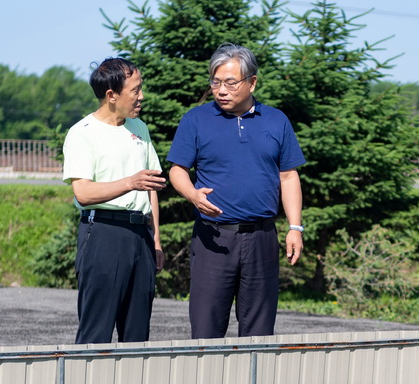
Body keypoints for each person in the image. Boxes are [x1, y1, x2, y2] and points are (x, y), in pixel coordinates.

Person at [167, 43, 305, 339]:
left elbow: (289, 176)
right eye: (216, 82)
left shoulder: (276, 120)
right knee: (206, 328)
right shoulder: (196, 119)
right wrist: (192, 194)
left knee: (258, 330)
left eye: (230, 82)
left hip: (262, 238)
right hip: (213, 238)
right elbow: (177, 170)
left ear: (252, 81)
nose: (221, 90)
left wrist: (295, 227)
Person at [62, 58, 166, 345]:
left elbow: (151, 187)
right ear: (111, 96)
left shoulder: (139, 128)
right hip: (103, 235)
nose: (141, 96)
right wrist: (129, 183)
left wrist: (155, 239)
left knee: (137, 334)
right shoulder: (82, 133)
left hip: (141, 236)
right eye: (135, 90)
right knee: (96, 331)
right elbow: (82, 192)